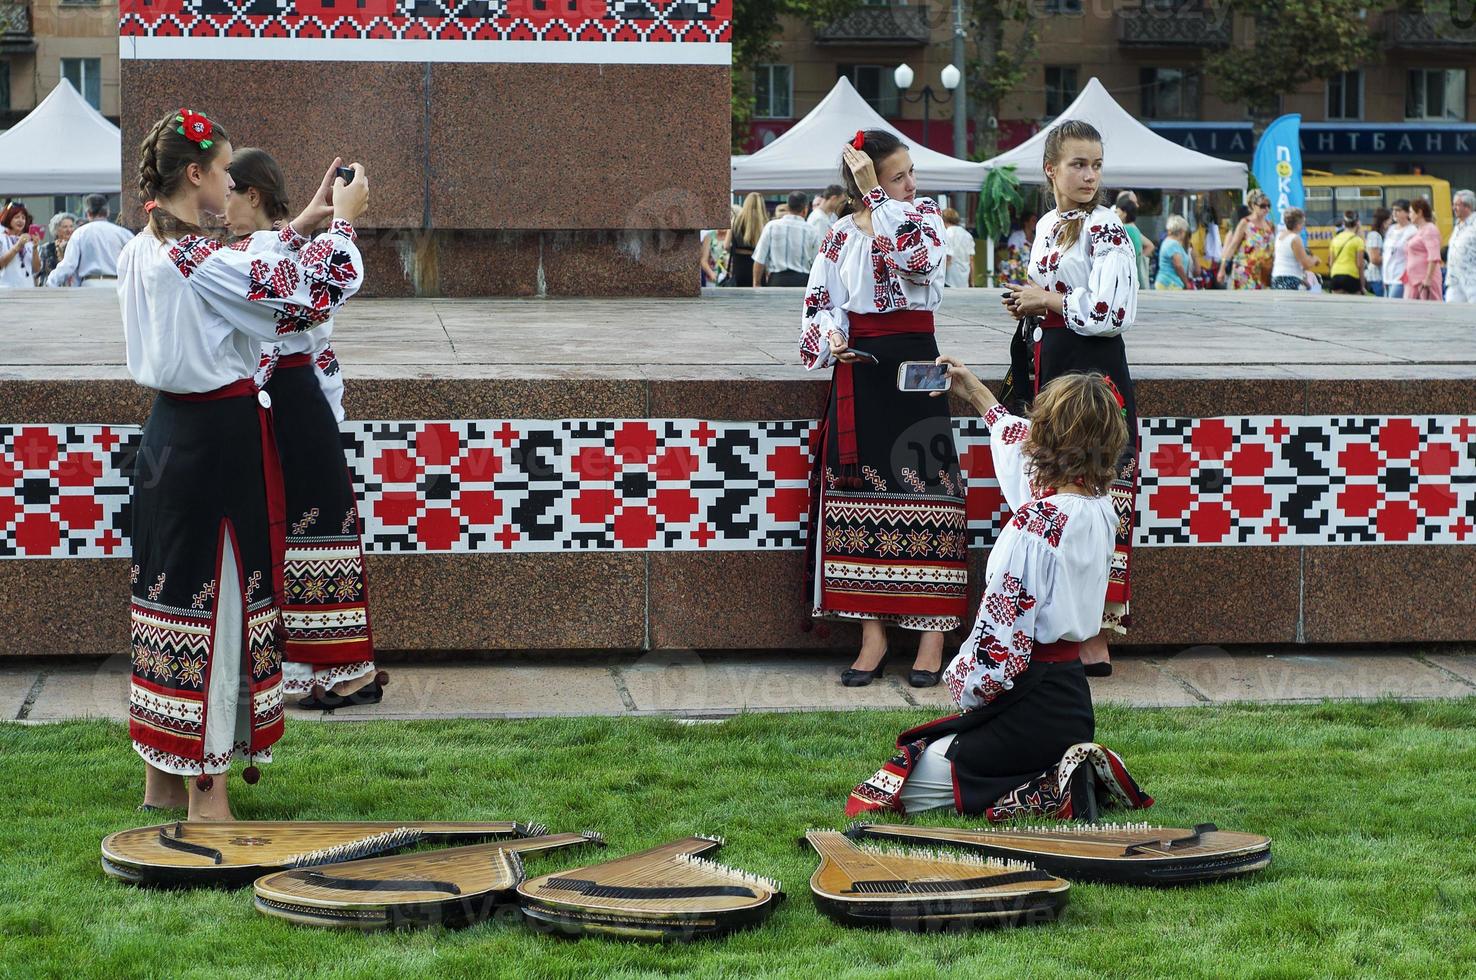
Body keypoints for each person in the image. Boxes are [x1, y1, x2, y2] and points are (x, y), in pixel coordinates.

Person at [120, 107, 368, 819]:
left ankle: (161, 783)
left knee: (167, 603)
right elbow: (306, 302)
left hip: (169, 439)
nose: (231, 185)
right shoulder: (193, 258)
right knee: (220, 604)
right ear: (195, 174)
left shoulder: (146, 246)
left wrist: (301, 226)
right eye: (225, 170)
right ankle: (209, 799)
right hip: (217, 446)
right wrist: (344, 224)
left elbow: (239, 270)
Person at [846, 367, 1151, 819]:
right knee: (941, 750)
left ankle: (1046, 783)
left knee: (896, 788)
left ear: (1046, 437)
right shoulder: (1102, 509)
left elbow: (998, 646)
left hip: (1028, 708)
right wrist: (975, 393)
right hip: (1072, 704)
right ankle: (1060, 771)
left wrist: (966, 686)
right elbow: (1020, 452)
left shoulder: (1034, 526)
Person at [799, 129, 964, 689]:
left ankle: (931, 636)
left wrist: (881, 199)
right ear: (864, 180)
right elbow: (820, 303)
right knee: (861, 497)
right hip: (862, 372)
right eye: (898, 176)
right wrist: (831, 339)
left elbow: (918, 265)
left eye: (910, 173)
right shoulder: (838, 236)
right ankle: (872, 636)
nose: (910, 184)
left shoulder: (924, 217)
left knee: (930, 492)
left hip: (916, 369)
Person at [224, 146, 383, 710]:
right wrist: (330, 219)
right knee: (303, 533)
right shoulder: (253, 249)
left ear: (253, 195)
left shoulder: (257, 251)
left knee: (314, 531)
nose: (221, 206)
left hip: (294, 404)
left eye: (228, 191)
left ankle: (344, 668)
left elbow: (321, 288)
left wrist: (335, 222)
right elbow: (288, 265)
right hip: (289, 402)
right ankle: (329, 666)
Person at [1000, 119, 1138, 677]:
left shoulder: (1106, 226)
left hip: (1093, 370)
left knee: (1097, 492)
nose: (1089, 175)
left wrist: (1047, 299)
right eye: (1078, 164)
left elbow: (1113, 312)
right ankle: (1059, 625)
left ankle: (1097, 637)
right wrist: (1029, 304)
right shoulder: (1048, 224)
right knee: (1057, 489)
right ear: (1050, 169)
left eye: (1096, 165)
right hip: (1050, 365)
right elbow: (1057, 296)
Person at [46, 194, 137, 288]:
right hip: (117, 285)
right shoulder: (123, 233)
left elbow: (69, 265)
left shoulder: (79, 233)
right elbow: (136, 262)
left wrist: (51, 282)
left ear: (88, 213)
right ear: (107, 212)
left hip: (89, 285)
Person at [753, 191, 822, 287]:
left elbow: (759, 258)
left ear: (788, 207)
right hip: (802, 282)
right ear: (805, 209)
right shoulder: (812, 231)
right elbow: (817, 262)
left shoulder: (771, 226)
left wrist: (756, 283)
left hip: (777, 281)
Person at [1220, 190, 1274, 289]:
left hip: (1263, 274)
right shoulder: (1245, 223)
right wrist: (1222, 268)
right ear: (1253, 206)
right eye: (1262, 206)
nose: (1266, 209)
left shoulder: (1270, 226)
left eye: (1268, 206)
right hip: (1245, 272)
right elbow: (1233, 246)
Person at [1403, 198, 1443, 301]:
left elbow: (1434, 256)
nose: (1409, 215)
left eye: (1411, 212)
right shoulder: (1420, 230)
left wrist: (1428, 279)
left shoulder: (1430, 229)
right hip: (1413, 280)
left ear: (1419, 212)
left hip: (1425, 281)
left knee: (1430, 313)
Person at [1271, 208, 1318, 290]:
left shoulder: (1279, 236)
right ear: (1298, 224)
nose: (1303, 225)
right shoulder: (1295, 239)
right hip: (1290, 278)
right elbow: (1305, 264)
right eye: (1303, 222)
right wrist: (1315, 259)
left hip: (1276, 277)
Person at [727, 192, 767, 288]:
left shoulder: (735, 221)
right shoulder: (765, 223)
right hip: (758, 265)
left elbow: (726, 245)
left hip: (739, 265)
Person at [1114, 194, 1153, 287]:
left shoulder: (1124, 229)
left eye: (1117, 212)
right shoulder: (1134, 229)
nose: (1115, 215)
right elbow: (1150, 245)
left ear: (1124, 213)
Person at [0, 204, 41, 287]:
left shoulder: (28, 241)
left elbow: (36, 269)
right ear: (9, 218)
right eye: (16, 217)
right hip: (6, 289)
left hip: (27, 289)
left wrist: (35, 248)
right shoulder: (2, 238)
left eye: (23, 218)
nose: (21, 220)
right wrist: (17, 246)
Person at [1446, 188, 1476, 304]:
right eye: (1453, 205)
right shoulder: (1458, 225)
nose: (1454, 208)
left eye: (1457, 205)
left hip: (1472, 280)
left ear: (1467, 206)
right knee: (1451, 314)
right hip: (1454, 279)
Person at [1327, 211, 1366, 295]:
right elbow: (1360, 264)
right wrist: (1362, 285)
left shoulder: (1335, 239)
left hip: (1336, 276)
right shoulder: (1358, 241)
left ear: (1343, 224)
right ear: (1357, 223)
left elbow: (1331, 263)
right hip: (1351, 277)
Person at [1382, 199, 1415, 299]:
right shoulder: (1391, 229)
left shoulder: (1412, 230)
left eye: (1398, 210)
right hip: (1387, 277)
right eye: (1393, 210)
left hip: (1400, 277)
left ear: (1407, 213)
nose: (1394, 213)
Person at [701, 206, 737, 287]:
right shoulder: (709, 236)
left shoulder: (733, 236)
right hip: (713, 280)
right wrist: (712, 274)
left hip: (730, 279)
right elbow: (703, 260)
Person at [1154, 215, 1192, 290]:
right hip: (1170, 284)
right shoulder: (1173, 244)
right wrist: (1186, 283)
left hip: (1167, 282)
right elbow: (1178, 265)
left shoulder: (1168, 242)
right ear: (1181, 231)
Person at [942, 206, 975, 288]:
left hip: (950, 279)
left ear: (943, 220)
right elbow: (971, 259)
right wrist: (972, 281)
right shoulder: (967, 234)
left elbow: (948, 258)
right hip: (964, 279)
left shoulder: (947, 233)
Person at [39, 211, 77, 285]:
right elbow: (41, 272)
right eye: (65, 227)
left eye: (71, 226)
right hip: (51, 288)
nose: (69, 230)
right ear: (56, 229)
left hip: (72, 288)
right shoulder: (46, 248)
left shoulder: (75, 247)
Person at [1365, 207, 1390, 297]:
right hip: (1376, 278)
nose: (1391, 222)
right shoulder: (1375, 236)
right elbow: (1374, 259)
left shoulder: (1381, 235)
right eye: (1389, 219)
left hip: (1380, 278)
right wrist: (1391, 256)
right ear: (1383, 221)